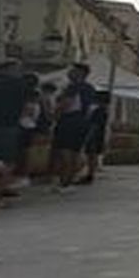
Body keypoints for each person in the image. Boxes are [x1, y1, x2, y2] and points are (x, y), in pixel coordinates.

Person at [50, 63, 98, 193]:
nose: (69, 72)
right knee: (74, 152)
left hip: (69, 121)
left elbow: (66, 104)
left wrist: (54, 116)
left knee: (65, 152)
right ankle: (68, 182)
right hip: (82, 122)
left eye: (73, 70)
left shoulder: (73, 87)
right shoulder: (90, 88)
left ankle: (64, 182)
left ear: (80, 73)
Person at [77, 92, 110, 185]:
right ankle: (90, 174)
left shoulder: (98, 111)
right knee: (93, 156)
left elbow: (94, 126)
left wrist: (88, 137)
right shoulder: (104, 110)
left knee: (91, 155)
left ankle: (89, 174)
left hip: (94, 136)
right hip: (99, 135)